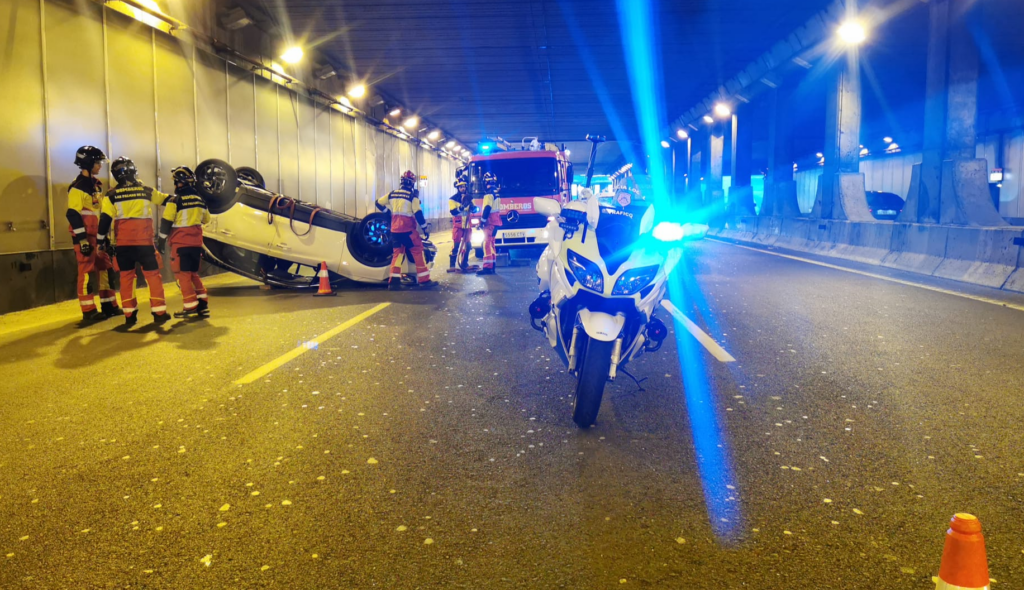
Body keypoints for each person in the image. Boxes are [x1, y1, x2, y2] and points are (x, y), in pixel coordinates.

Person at [96, 157, 171, 327]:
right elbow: (167, 200)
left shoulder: (111, 195)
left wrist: (100, 241)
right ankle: (159, 313)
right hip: (145, 244)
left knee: (127, 277)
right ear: (134, 171)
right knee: (153, 277)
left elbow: (105, 220)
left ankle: (129, 315)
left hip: (123, 245)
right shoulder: (146, 190)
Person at [66, 146, 120, 324]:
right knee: (86, 272)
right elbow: (73, 214)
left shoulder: (97, 185)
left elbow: (99, 213)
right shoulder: (77, 188)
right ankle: (88, 311)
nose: (100, 166)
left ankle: (109, 305)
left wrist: (104, 237)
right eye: (97, 162)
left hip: (97, 236)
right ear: (88, 163)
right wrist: (82, 240)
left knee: (105, 268)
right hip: (85, 238)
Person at [157, 167, 211, 319]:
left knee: (183, 275)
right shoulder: (201, 200)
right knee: (193, 273)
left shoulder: (175, 200)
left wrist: (161, 240)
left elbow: (166, 221)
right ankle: (202, 303)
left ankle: (190, 306)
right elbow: (207, 220)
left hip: (180, 244)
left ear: (178, 183)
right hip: (196, 244)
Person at [375, 170, 435, 290]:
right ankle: (424, 280)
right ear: (412, 183)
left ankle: (394, 282)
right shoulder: (412, 197)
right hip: (408, 231)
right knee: (417, 251)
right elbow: (418, 214)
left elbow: (378, 202)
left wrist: (388, 213)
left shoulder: (392, 194)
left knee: (398, 254)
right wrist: (424, 228)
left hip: (395, 231)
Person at [476, 171, 503, 276]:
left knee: (486, 244)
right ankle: (492, 266)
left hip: (490, 222)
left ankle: (487, 268)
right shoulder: (496, 193)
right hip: (496, 222)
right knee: (491, 244)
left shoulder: (488, 194)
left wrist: (482, 222)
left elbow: (487, 208)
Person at [447, 178, 470, 270]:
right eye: (461, 187)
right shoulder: (453, 199)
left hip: (467, 226)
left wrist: (473, 207)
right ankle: (452, 265)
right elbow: (453, 212)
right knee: (456, 246)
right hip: (458, 226)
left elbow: (474, 208)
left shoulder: (469, 198)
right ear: (457, 188)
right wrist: (461, 207)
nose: (463, 188)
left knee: (468, 246)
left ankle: (465, 263)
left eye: (464, 186)